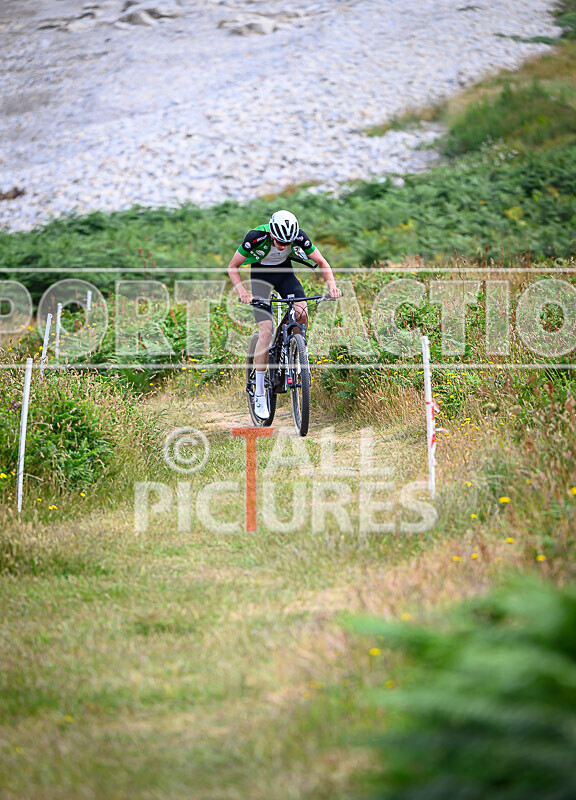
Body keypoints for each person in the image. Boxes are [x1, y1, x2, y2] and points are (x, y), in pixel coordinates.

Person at [227, 209, 342, 419]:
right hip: (260, 278)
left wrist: (332, 286)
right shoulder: (255, 237)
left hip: (285, 275)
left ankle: (297, 352)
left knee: (302, 313)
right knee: (266, 331)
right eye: (280, 242)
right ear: (272, 233)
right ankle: (259, 390)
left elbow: (322, 262)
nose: (283, 246)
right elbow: (233, 267)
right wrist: (243, 292)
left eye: (287, 243)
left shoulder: (299, 237)